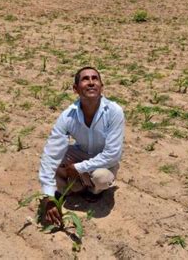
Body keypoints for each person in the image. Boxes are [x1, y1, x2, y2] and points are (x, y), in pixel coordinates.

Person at [38, 66, 125, 225]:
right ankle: (65, 190)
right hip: (82, 153)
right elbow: (51, 153)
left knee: (101, 177)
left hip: (105, 161)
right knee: (56, 159)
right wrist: (48, 197)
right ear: (75, 89)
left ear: (101, 87)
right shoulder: (68, 116)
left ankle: (94, 190)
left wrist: (78, 168)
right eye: (85, 79)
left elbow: (112, 154)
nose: (91, 82)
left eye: (95, 78)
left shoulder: (114, 111)